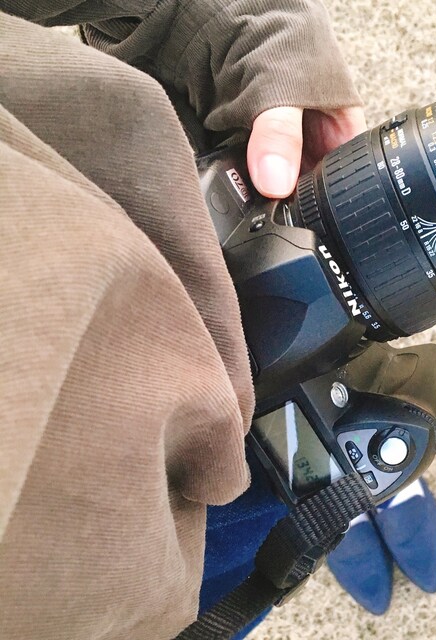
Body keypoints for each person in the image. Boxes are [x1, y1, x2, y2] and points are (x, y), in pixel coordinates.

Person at [0, 2, 365, 638]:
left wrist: (226, 26)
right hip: (155, 580)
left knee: (356, 355)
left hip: (197, 248)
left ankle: (347, 458)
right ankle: (342, 471)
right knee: (314, 496)